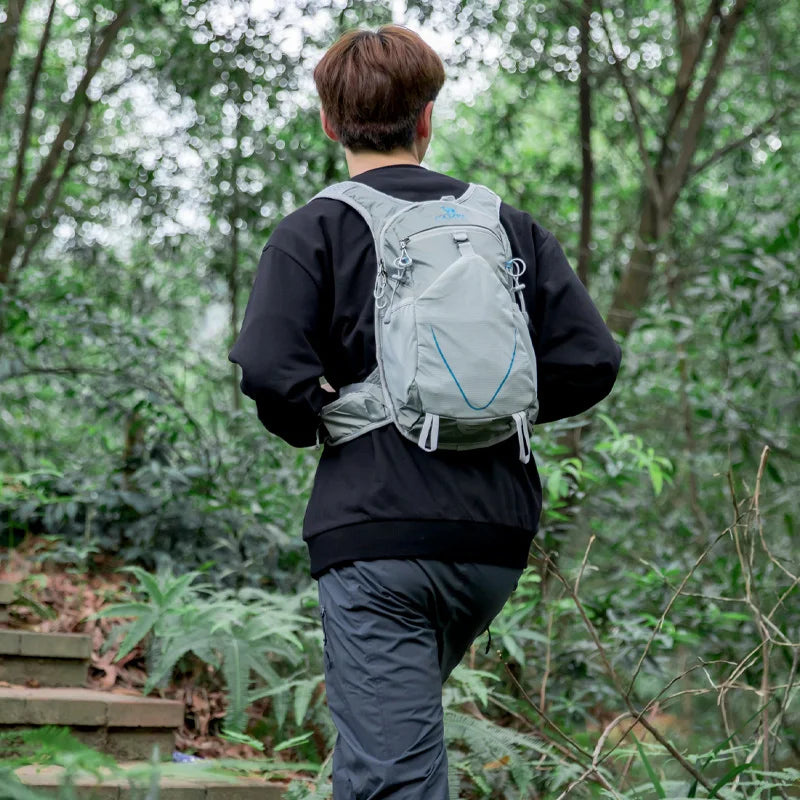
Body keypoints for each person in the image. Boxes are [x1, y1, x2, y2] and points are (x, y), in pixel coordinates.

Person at [229, 24, 621, 800]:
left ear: (328, 122)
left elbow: (273, 373)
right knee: (391, 752)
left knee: (391, 779)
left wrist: (321, 417)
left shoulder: (312, 230)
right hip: (494, 539)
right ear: (427, 119)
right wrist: (481, 406)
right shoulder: (506, 226)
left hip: (376, 537)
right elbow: (591, 361)